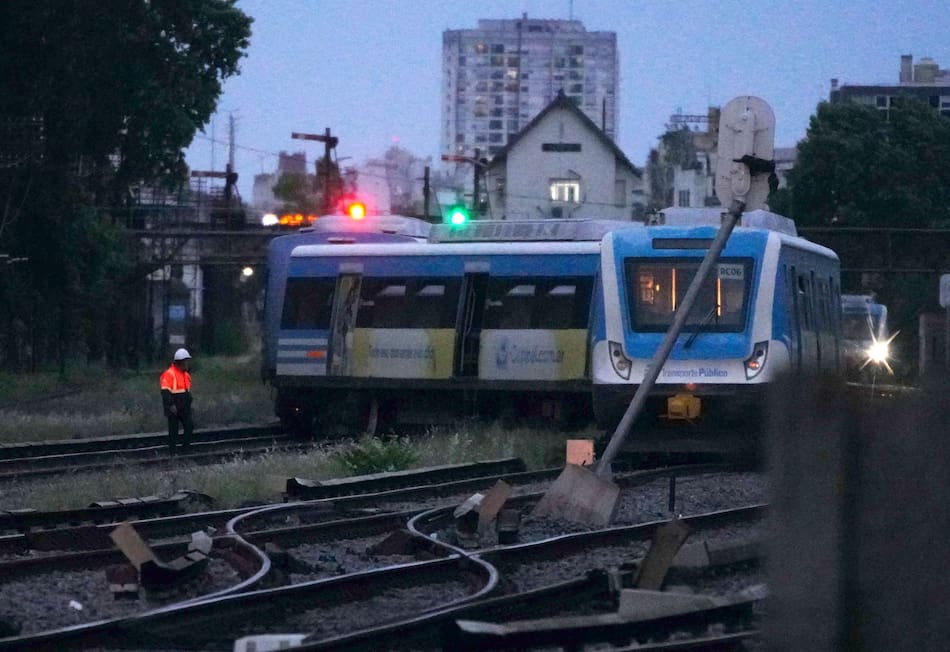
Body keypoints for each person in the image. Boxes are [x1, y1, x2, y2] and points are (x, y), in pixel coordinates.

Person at [160, 348, 193, 454]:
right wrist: (171, 405)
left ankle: (185, 451)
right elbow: (165, 392)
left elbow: (186, 391)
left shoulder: (186, 375)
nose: (187, 364)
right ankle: (172, 453)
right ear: (180, 362)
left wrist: (189, 402)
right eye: (185, 361)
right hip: (173, 407)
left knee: (189, 427)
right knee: (173, 431)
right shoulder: (168, 374)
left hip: (183, 407)